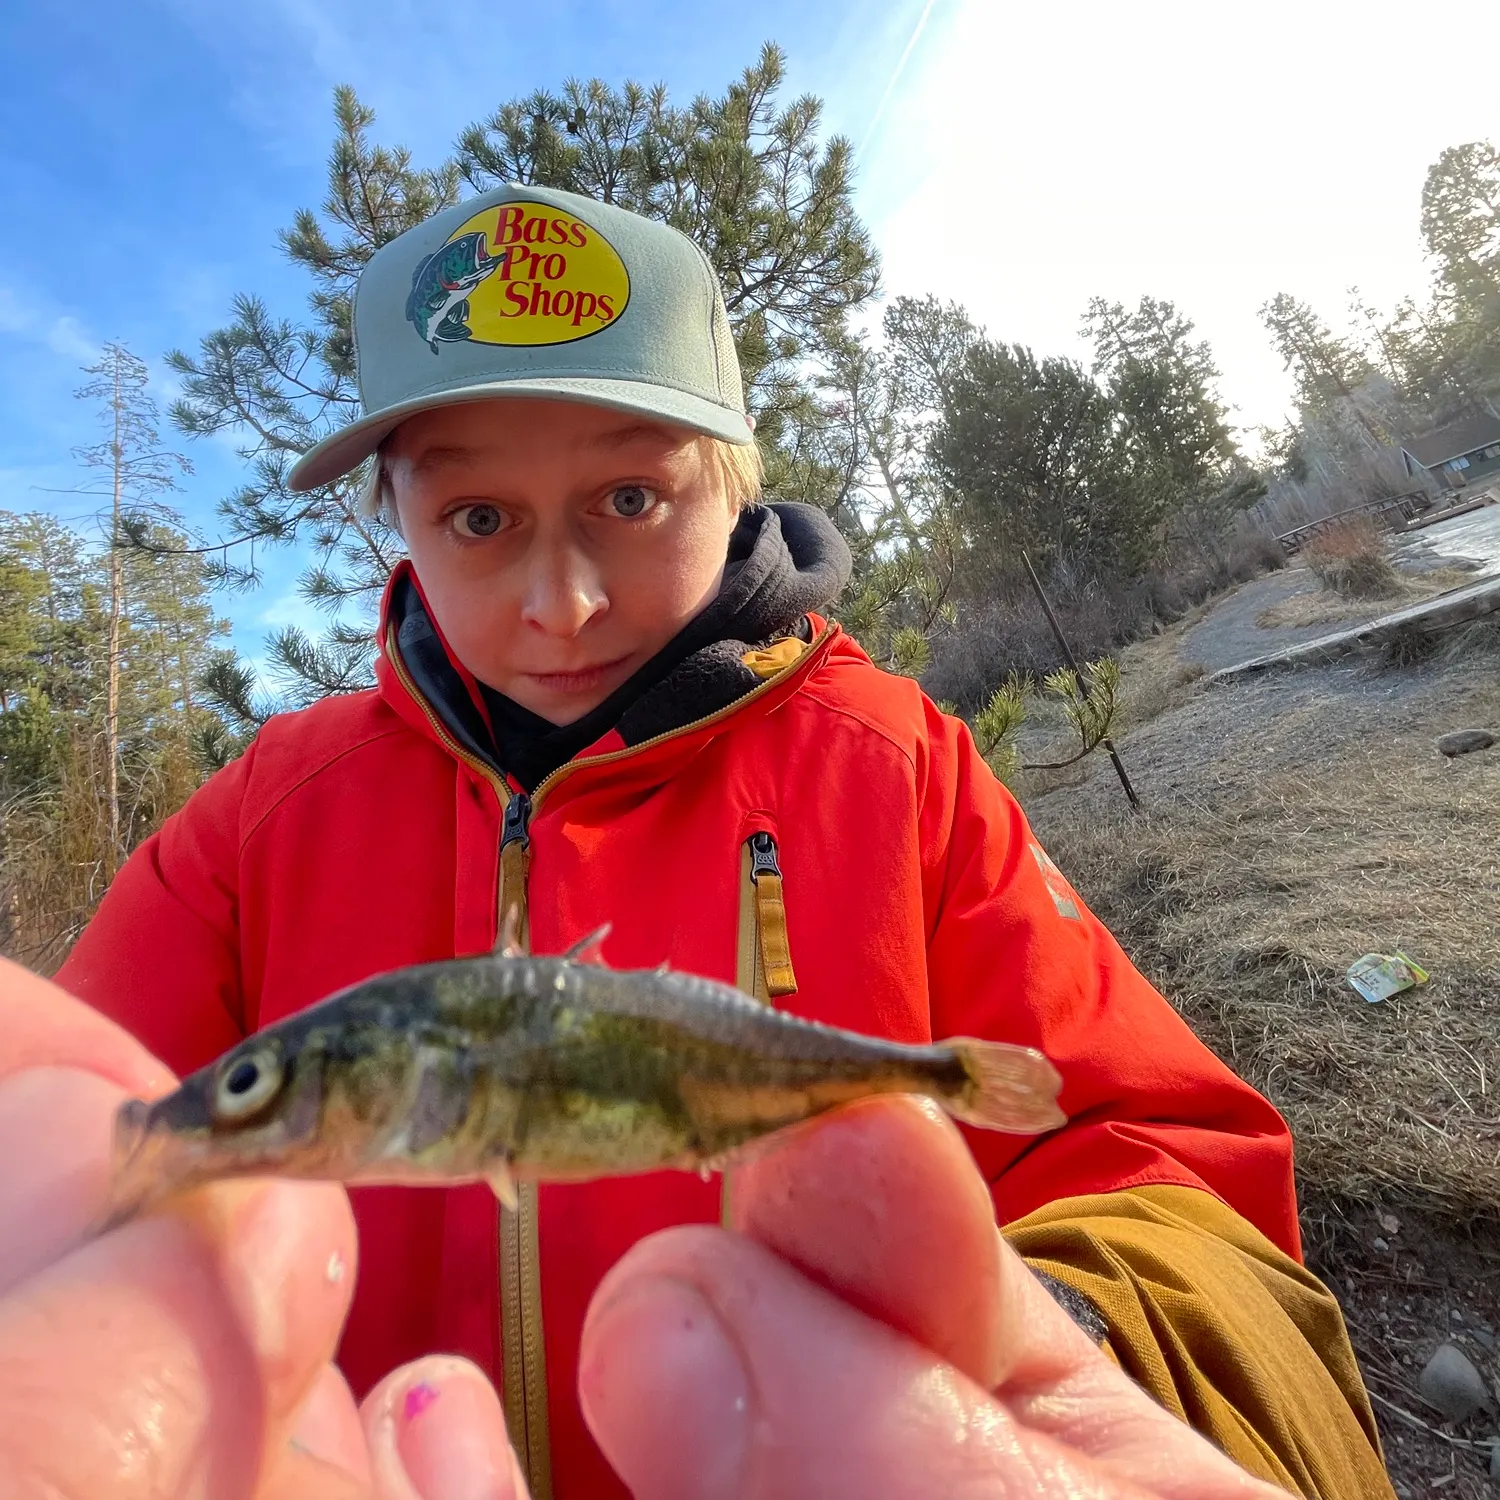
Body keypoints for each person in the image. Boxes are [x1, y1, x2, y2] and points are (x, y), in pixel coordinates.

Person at [51, 182, 1393, 1499]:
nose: (561, 604)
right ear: (393, 519)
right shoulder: (258, 823)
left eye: (630, 500)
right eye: (478, 518)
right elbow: (83, 1145)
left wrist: (1051, 1362)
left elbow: (1180, 1178)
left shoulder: (896, 766)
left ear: (736, 483)